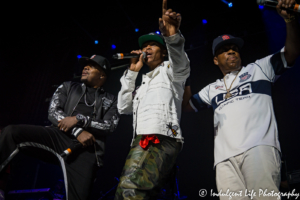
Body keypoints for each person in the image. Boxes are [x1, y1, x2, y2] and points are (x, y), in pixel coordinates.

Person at [183, 1, 300, 199]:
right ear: (215, 60)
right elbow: (187, 106)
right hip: (224, 160)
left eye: (234, 48)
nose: (231, 51)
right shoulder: (212, 89)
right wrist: (184, 75)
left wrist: (289, 20)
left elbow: (292, 53)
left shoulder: (258, 69)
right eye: (224, 49)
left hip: (259, 148)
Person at [0, 55, 120, 200]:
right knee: (11, 132)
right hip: (57, 136)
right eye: (85, 65)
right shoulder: (68, 86)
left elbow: (110, 126)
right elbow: (53, 112)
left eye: (91, 66)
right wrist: (78, 131)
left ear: (102, 74)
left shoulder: (111, 100)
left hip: (87, 151)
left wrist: (79, 120)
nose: (85, 67)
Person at [114, 0, 190, 199]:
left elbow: (180, 61)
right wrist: (132, 73)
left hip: (160, 136)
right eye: (144, 46)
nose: (146, 49)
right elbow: (123, 107)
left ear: (163, 52)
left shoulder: (170, 71)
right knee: (141, 192)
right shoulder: (143, 82)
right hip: (141, 138)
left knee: (130, 189)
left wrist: (171, 35)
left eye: (152, 46)